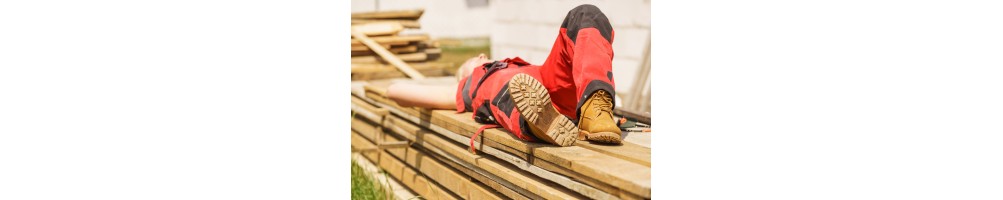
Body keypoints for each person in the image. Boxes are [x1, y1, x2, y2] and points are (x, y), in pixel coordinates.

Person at [386, 4, 621, 148]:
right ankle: (537, 123)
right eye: (471, 61)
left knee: (586, 14)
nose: (480, 55)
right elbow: (396, 92)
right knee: (504, 85)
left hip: (551, 84)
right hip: (513, 96)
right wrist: (391, 89)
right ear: (463, 77)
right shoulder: (470, 85)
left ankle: (595, 106)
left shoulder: (515, 66)